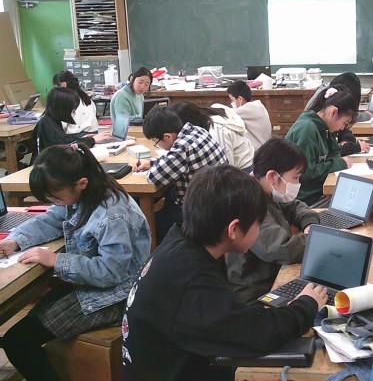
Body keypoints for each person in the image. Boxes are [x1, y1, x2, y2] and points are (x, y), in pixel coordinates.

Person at [121, 165, 327, 381]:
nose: (259, 229)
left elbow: (229, 321)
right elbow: (255, 335)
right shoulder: (191, 278)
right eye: (258, 223)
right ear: (233, 229)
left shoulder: (181, 243)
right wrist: (306, 305)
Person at [0, 143, 151, 381]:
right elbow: (52, 219)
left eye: (55, 197)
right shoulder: (86, 193)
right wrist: (16, 241)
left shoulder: (112, 214)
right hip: (94, 284)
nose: (53, 202)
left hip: (117, 294)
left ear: (81, 183)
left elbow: (111, 272)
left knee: (17, 342)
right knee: (27, 331)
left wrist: (56, 260)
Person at [226, 138, 320, 304]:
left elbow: (294, 206)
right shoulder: (250, 204)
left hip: (271, 277)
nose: (298, 183)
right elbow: (283, 249)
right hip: (256, 295)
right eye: (295, 177)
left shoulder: (264, 189)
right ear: (272, 176)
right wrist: (320, 240)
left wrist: (310, 223)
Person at [133, 106, 228, 244]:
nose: (156, 146)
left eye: (156, 142)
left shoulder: (183, 147)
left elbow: (155, 178)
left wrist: (153, 167)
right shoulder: (195, 130)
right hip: (218, 197)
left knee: (149, 223)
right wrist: (152, 162)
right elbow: (174, 158)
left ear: (167, 136)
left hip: (202, 209)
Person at [285, 86, 357, 206]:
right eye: (344, 123)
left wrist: (336, 161)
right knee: (352, 205)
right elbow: (306, 173)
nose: (342, 128)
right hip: (303, 199)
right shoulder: (307, 129)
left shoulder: (323, 127)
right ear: (333, 112)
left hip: (317, 191)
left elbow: (334, 152)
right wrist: (339, 164)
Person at [171, 102, 254, 171]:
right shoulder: (213, 112)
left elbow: (225, 167)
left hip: (242, 170)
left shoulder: (216, 130)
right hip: (243, 164)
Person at [305, 73, 372, 156]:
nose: (342, 128)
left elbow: (343, 130)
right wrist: (352, 148)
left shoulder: (328, 116)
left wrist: (346, 141)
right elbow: (324, 156)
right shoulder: (311, 128)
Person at [33, 87, 112, 158]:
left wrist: (83, 138)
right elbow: (66, 146)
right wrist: (92, 140)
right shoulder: (47, 123)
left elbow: (63, 139)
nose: (74, 112)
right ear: (63, 108)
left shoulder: (52, 121)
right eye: (73, 108)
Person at [227, 80, 272, 149]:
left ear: (240, 99)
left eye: (232, 100)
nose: (232, 103)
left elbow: (225, 112)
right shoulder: (257, 105)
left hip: (259, 151)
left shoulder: (248, 109)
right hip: (265, 147)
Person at [52, 70, 99, 135]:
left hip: (78, 135)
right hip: (94, 133)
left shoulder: (67, 100)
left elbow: (62, 125)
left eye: (56, 86)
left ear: (63, 84)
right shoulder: (86, 98)